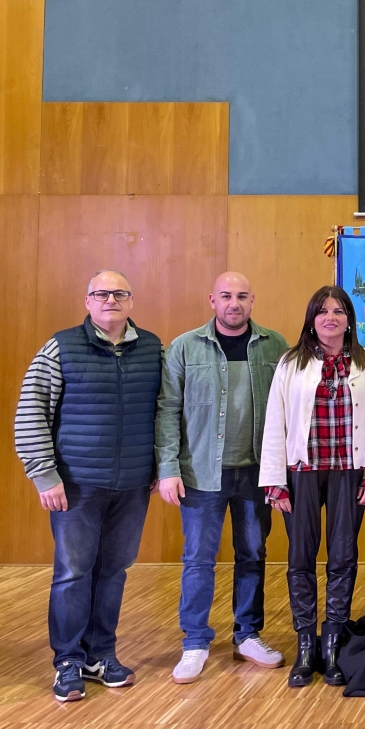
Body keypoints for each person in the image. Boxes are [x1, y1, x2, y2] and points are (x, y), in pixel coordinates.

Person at [14, 271, 162, 702]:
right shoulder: (60, 347)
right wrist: (44, 474)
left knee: (113, 572)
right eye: (101, 293)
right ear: (88, 301)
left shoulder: (153, 349)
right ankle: (67, 662)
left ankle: (101, 654)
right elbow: (31, 412)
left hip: (133, 485)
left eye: (119, 293)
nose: (110, 299)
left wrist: (159, 464)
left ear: (131, 301)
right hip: (75, 485)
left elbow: (164, 413)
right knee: (72, 574)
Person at [155, 272, 290, 683]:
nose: (235, 303)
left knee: (252, 554)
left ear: (253, 301)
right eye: (227, 296)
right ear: (211, 299)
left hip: (256, 473)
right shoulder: (183, 347)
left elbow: (287, 409)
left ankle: (247, 634)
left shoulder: (276, 346)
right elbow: (167, 411)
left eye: (243, 296)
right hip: (200, 475)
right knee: (198, 559)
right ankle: (195, 641)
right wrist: (167, 469)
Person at [260, 285, 365, 688]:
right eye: (322, 311)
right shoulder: (291, 362)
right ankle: (305, 644)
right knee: (300, 557)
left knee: (343, 556)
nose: (330, 318)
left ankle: (332, 640)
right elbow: (275, 422)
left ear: (349, 319)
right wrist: (274, 483)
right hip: (301, 470)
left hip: (348, 471)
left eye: (338, 311)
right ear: (311, 319)